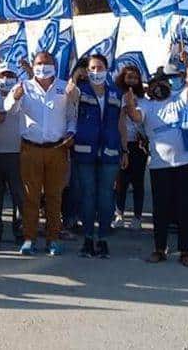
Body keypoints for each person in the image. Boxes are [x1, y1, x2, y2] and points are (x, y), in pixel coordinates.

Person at [124, 54, 188, 268]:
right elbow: (136, 117)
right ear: (150, 87)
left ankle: (185, 251)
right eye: (156, 83)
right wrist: (130, 105)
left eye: (164, 82)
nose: (160, 86)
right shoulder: (147, 106)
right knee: (162, 209)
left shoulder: (179, 98)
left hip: (187, 163)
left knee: (185, 207)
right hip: (160, 166)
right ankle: (160, 249)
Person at [11, 51, 74, 255]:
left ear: (54, 66)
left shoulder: (64, 87)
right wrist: (14, 97)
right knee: (31, 197)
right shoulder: (24, 87)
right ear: (33, 65)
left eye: (47, 63)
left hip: (57, 149)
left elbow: (72, 115)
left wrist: (71, 132)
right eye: (39, 63)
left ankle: (53, 239)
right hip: (31, 149)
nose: (43, 67)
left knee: (54, 197)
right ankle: (29, 238)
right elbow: (8, 109)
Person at [69, 54, 124, 259]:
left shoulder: (116, 94)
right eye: (91, 68)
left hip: (110, 151)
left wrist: (124, 149)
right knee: (88, 196)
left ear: (107, 69)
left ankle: (103, 239)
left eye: (99, 67)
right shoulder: (79, 91)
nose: (95, 71)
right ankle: (88, 239)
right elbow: (70, 98)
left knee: (106, 197)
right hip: (85, 152)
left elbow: (121, 123)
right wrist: (75, 77)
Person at [0, 62, 25, 248]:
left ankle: (21, 232)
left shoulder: (22, 96)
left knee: (20, 196)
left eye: (10, 75)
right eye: (3, 75)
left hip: (17, 153)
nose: (6, 79)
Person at [113, 65, 148, 230]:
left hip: (138, 145)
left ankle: (137, 217)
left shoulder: (143, 99)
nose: (132, 81)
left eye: (135, 78)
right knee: (121, 182)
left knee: (138, 181)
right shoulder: (117, 96)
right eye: (129, 77)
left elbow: (143, 121)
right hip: (121, 143)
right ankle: (119, 214)